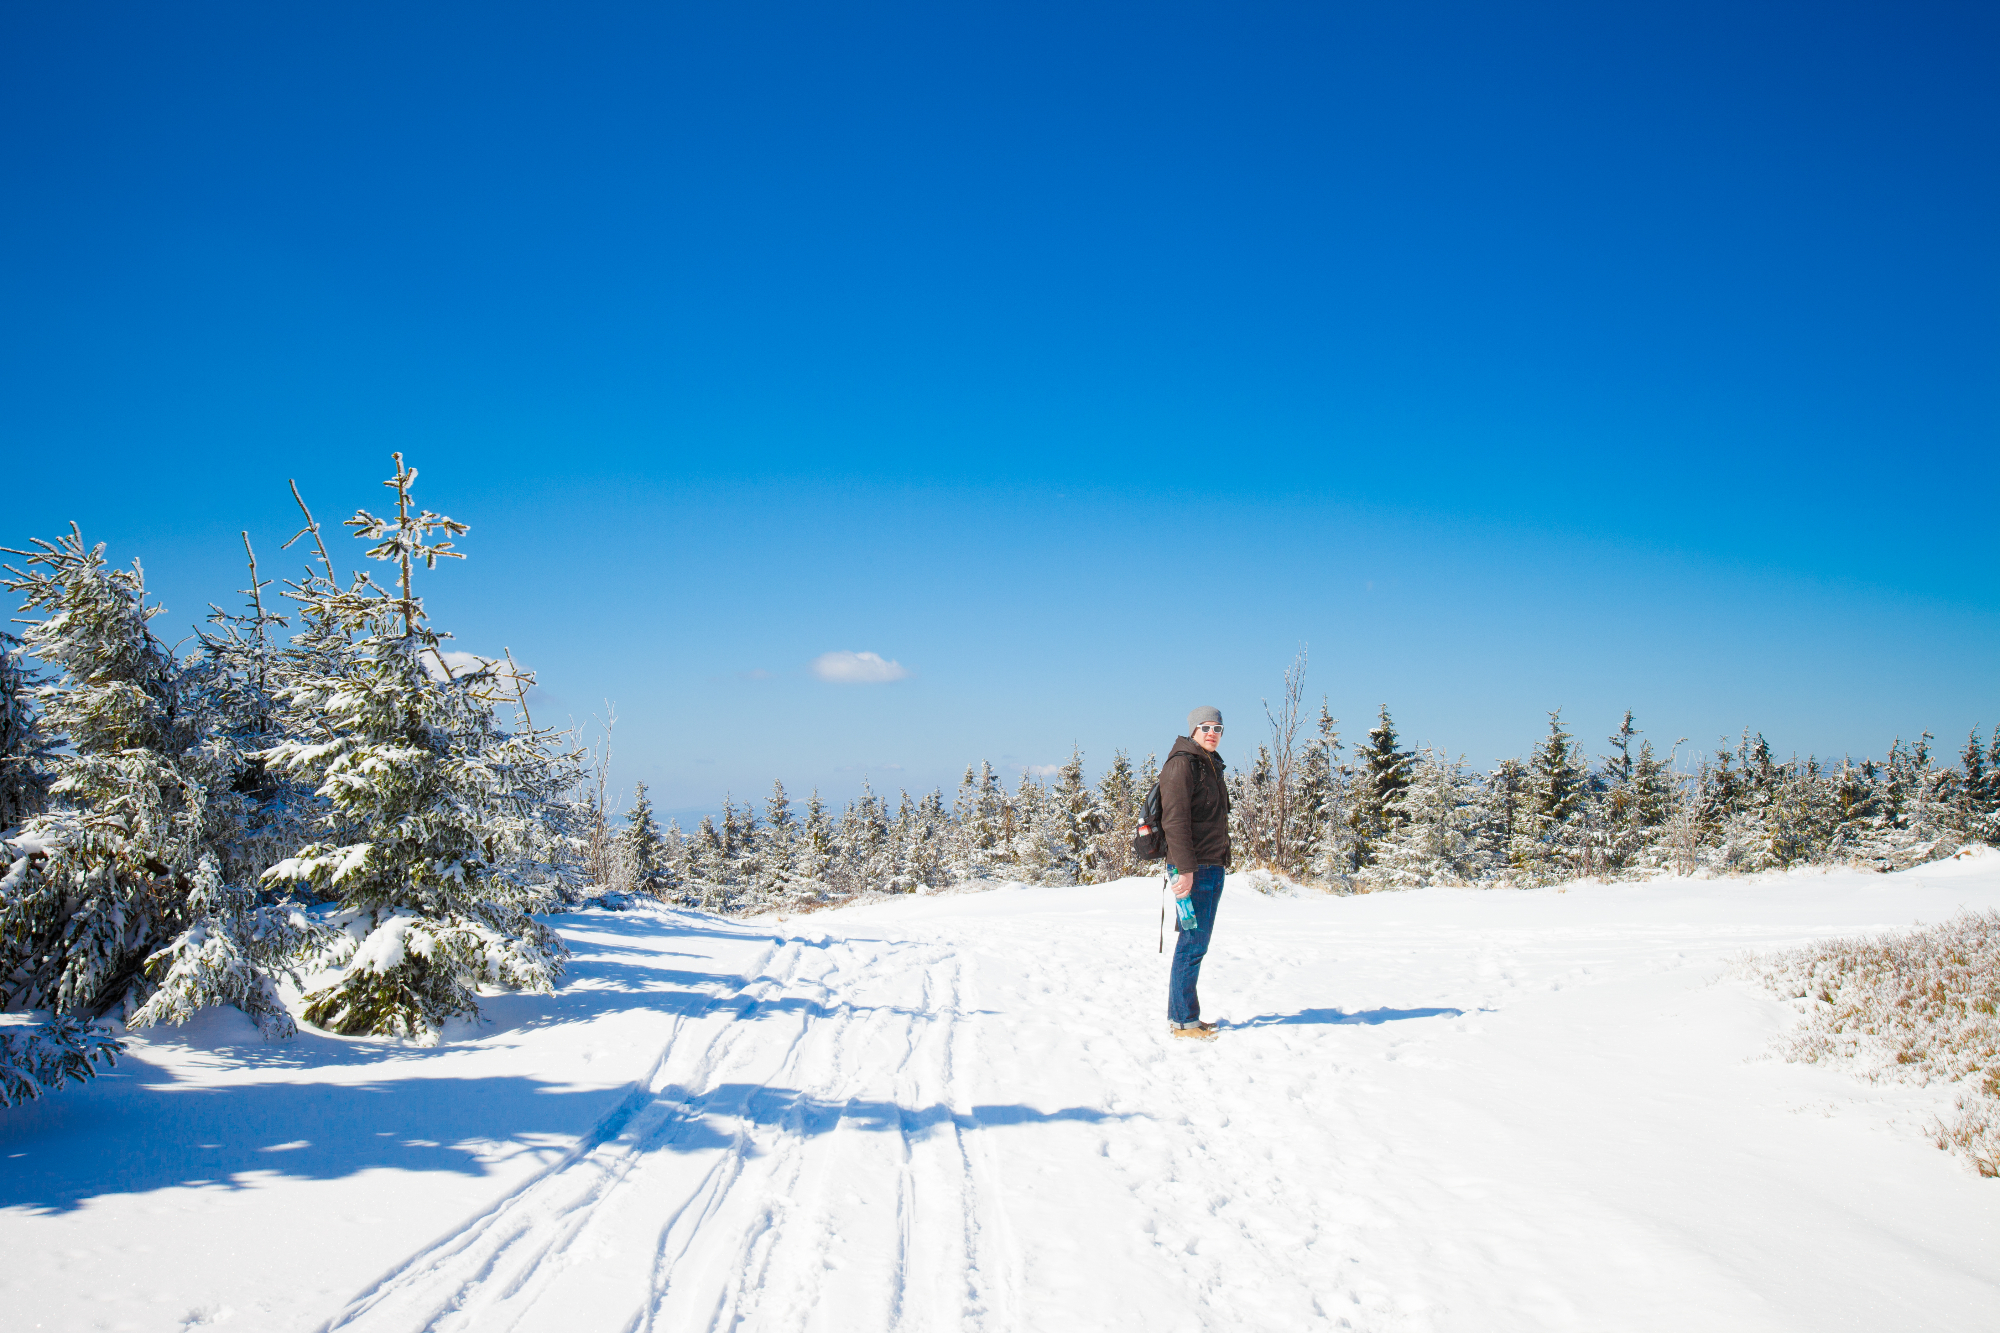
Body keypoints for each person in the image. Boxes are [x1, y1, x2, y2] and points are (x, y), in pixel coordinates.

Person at [1161, 705, 1230, 1039]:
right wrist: (1185, 870)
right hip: (1193, 868)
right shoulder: (1181, 765)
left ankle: (1185, 1017)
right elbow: (1174, 821)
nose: (1212, 733)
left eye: (1218, 728)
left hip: (1211, 865)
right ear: (1193, 729)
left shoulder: (1209, 764)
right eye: (1206, 727)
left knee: (1196, 942)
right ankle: (1183, 1021)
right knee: (1192, 943)